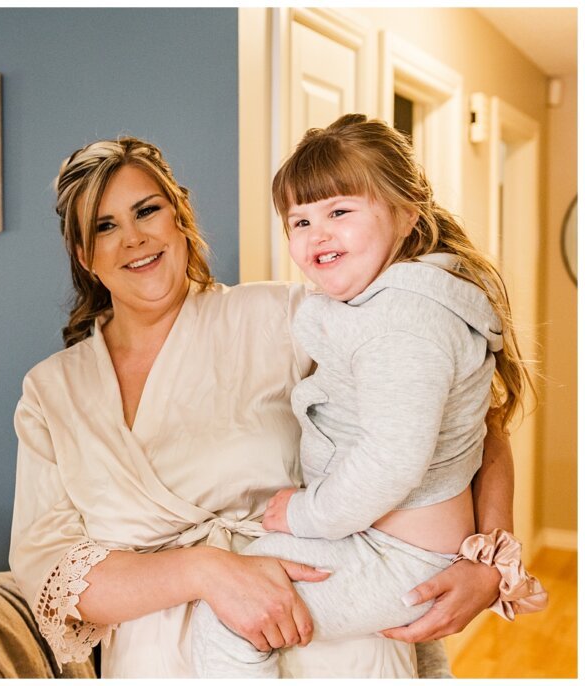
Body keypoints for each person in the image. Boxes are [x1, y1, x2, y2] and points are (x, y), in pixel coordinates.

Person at [9, 135, 519, 678]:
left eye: (147, 210)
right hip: (157, 664)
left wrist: (486, 562)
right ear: (85, 256)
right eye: (105, 227)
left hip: (328, 637)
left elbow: (470, 418)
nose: (134, 238)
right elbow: (52, 577)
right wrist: (206, 572)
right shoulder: (52, 393)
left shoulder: (291, 317)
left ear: (179, 216)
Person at [189, 114, 548, 677]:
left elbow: (392, 460)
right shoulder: (393, 305)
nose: (317, 234)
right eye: (300, 220)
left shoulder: (399, 325)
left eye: (340, 211)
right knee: (421, 659)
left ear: (408, 214)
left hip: (397, 557)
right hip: (401, 550)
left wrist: (307, 514)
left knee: (233, 615)